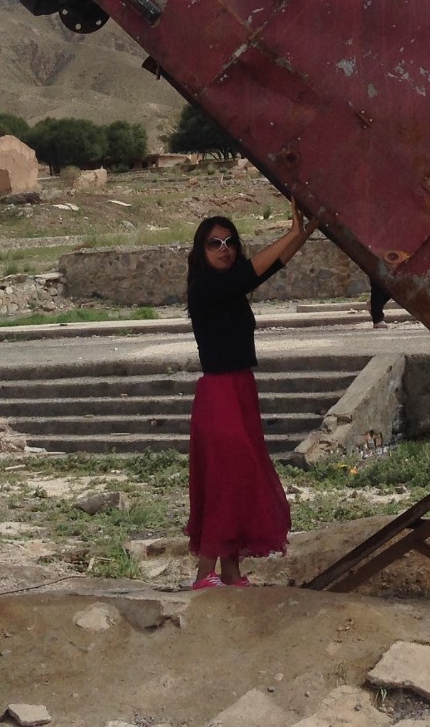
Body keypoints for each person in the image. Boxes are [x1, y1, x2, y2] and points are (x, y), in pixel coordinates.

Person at [184, 210, 314, 589]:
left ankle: (231, 572)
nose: (224, 250)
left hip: (240, 389)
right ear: (201, 250)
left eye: (230, 243)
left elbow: (276, 262)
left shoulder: (232, 285)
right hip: (219, 394)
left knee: (237, 479)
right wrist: (292, 230)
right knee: (227, 479)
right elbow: (252, 271)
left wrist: (305, 231)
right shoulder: (205, 287)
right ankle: (204, 572)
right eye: (215, 243)